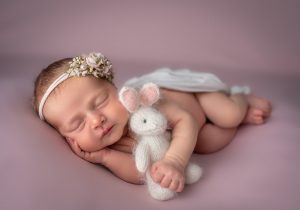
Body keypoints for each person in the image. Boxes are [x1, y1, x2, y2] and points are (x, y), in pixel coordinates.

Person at [33, 52, 272, 193]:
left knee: (227, 115)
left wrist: (175, 161)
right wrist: (106, 158)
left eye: (100, 102)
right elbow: (141, 173)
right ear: (68, 138)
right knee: (208, 144)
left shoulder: (144, 102)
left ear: (116, 89)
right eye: (77, 124)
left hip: (196, 101)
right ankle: (240, 119)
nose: (97, 120)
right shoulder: (108, 143)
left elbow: (185, 119)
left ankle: (239, 98)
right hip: (194, 134)